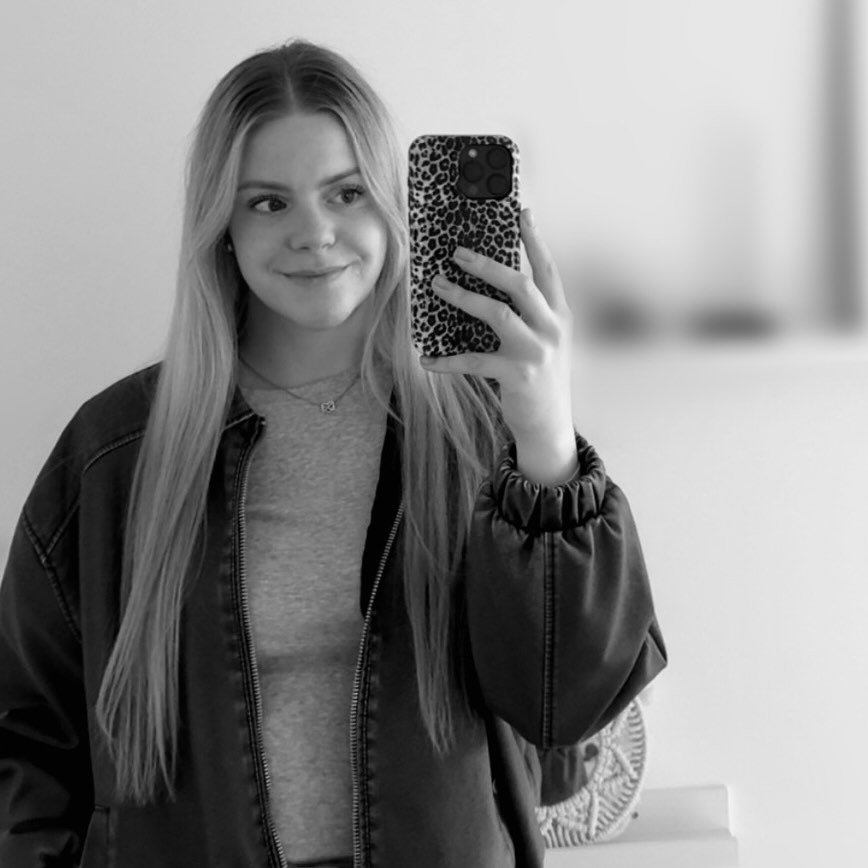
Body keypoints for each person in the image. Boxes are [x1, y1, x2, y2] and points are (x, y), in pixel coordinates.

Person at [0, 38, 667, 868]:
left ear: (392, 205)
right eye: (267, 203)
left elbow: (568, 716)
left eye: (346, 193)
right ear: (222, 228)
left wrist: (545, 437)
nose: (314, 234)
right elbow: (24, 740)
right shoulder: (116, 455)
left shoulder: (480, 434)